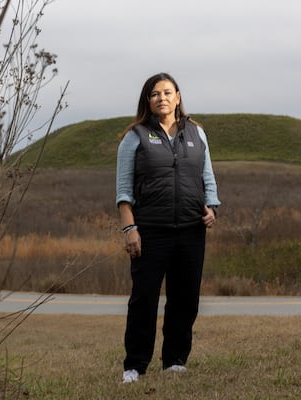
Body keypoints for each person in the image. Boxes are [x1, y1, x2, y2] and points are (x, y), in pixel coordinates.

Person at [116, 72, 221, 383]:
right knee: (144, 299)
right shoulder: (134, 136)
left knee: (185, 298)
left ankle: (175, 360)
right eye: (154, 94)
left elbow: (208, 177)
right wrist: (129, 228)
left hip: (191, 230)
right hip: (150, 230)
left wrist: (212, 207)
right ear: (147, 101)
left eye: (167, 92)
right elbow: (123, 190)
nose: (161, 98)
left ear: (178, 97)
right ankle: (134, 365)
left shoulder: (197, 134)